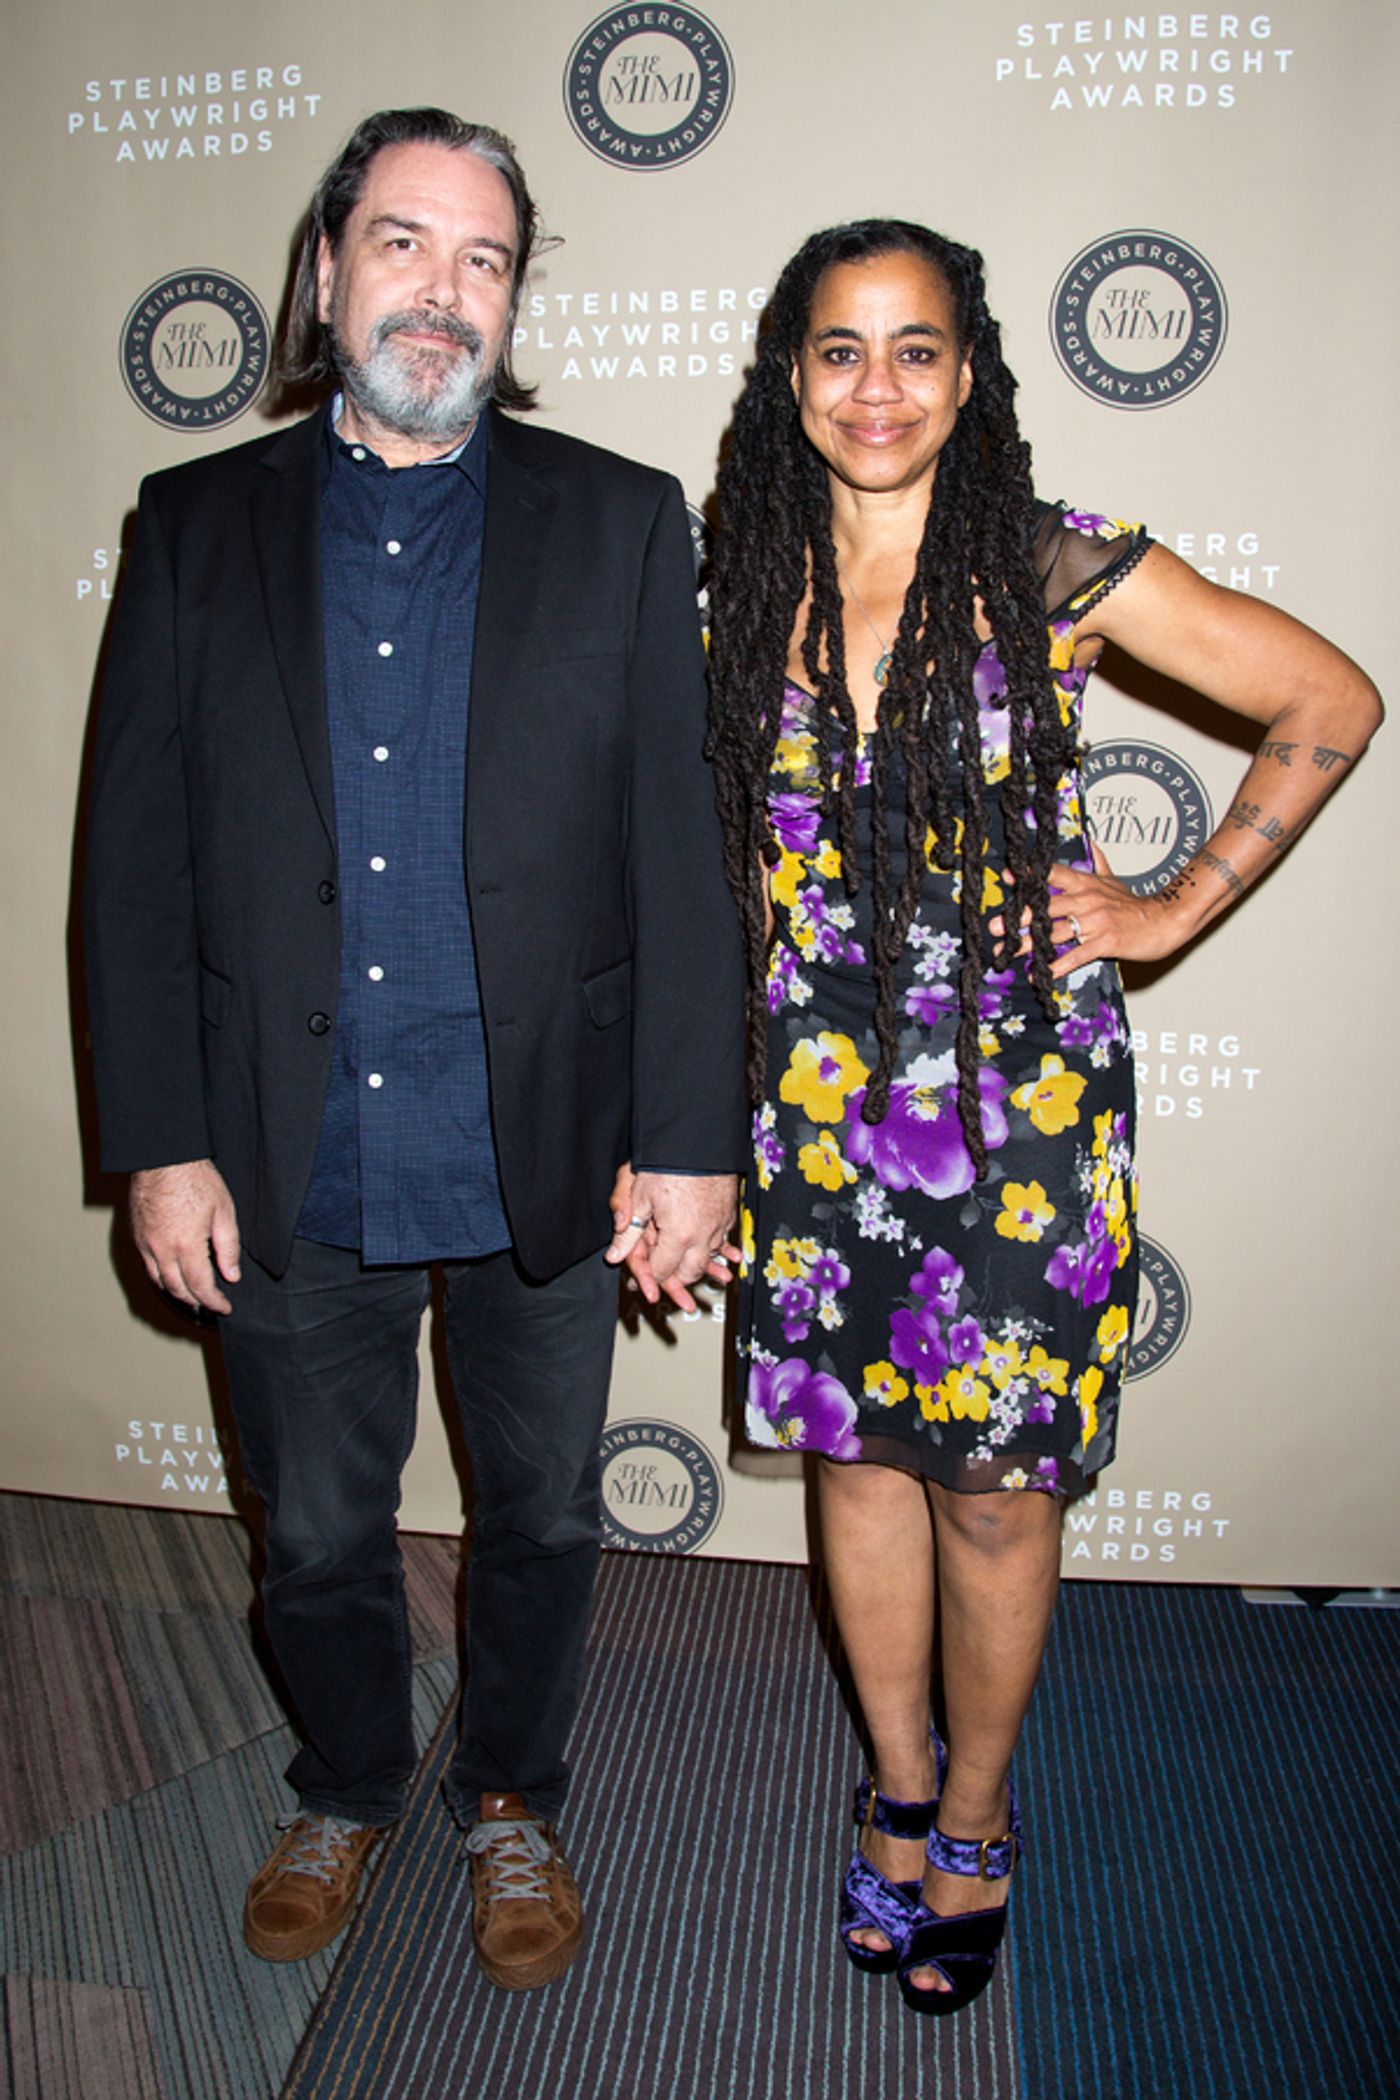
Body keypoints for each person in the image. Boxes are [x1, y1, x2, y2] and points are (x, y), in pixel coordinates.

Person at [84, 107, 745, 1991]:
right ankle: (351, 1778)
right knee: (315, 1530)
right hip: (288, 1148)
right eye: (401, 244)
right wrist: (164, 1138)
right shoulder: (193, 523)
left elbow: (677, 866)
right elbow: (130, 863)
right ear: (325, 272)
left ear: (513, 297)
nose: (441, 293)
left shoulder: (619, 521)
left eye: (484, 259)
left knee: (538, 1516)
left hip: (543, 1137)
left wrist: (691, 1142)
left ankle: (511, 1796)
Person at [705, 219, 1381, 2016]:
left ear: (972, 373)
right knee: (857, 1463)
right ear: (791, 376)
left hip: (1018, 1099)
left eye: (917, 349)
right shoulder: (739, 578)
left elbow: (1331, 699)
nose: (878, 387)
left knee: (995, 1496)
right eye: (840, 351)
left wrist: (1172, 906)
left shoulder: (1051, 561)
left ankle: (983, 1815)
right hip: (819, 1095)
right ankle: (898, 1787)